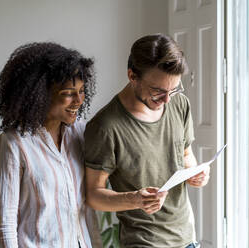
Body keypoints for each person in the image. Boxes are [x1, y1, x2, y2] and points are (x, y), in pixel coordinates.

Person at [84, 34, 210, 248]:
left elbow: (186, 155)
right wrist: (135, 199)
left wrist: (197, 173)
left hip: (187, 240)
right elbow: (93, 195)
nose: (167, 100)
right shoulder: (105, 127)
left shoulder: (179, 104)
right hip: (143, 243)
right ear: (133, 76)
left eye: (174, 89)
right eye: (158, 91)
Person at [0, 42, 102, 248]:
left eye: (82, 91)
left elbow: (86, 209)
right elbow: (4, 223)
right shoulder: (13, 144)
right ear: (40, 94)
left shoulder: (81, 133)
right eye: (68, 93)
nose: (78, 100)